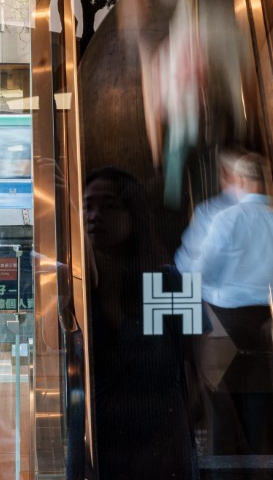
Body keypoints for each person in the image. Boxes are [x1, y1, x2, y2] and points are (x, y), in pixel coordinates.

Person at [174, 149, 273, 460]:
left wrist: (186, 266)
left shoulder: (227, 218)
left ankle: (226, 471)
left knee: (221, 408)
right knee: (259, 407)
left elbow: (202, 272)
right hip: (267, 320)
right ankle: (262, 470)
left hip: (224, 323)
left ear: (239, 180)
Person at [83, 168, 197, 479]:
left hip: (157, 440)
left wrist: (111, 303)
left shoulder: (168, 279)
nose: (94, 216)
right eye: (87, 206)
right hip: (97, 438)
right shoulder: (75, 289)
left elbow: (172, 365)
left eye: (110, 205)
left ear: (134, 215)